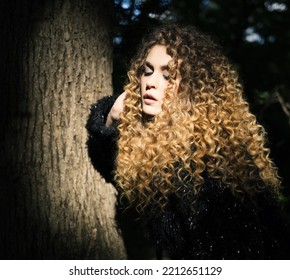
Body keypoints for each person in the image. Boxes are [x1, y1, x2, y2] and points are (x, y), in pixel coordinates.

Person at [86, 25, 290, 259]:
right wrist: (111, 117)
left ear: (194, 88)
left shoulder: (210, 162)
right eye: (147, 70)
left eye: (168, 75)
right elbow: (113, 165)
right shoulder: (159, 142)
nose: (151, 82)